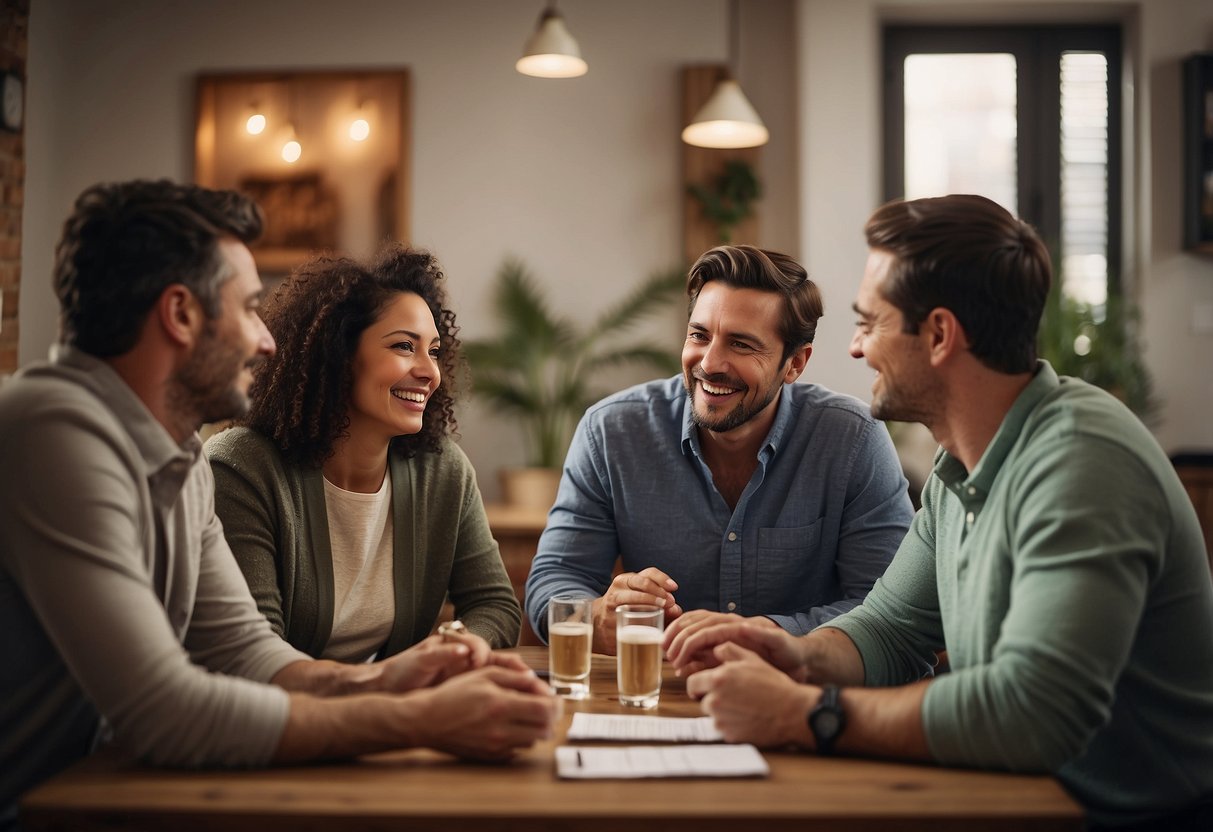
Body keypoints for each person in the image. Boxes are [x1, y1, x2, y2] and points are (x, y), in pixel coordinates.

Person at [0, 180, 557, 826]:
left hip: (97, 794)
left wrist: (387, 680)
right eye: (248, 307)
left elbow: (245, 652)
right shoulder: (53, 430)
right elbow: (166, 712)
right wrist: (415, 719)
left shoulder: (175, 452)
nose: (268, 341)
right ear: (180, 315)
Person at [666, 195, 1213, 831]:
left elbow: (1033, 714)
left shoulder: (1081, 461)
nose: (854, 347)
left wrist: (806, 713)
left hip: (1133, 817)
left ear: (939, 335)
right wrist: (794, 653)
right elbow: (891, 629)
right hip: (1020, 798)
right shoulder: (962, 467)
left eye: (870, 323)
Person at [525, 245, 914, 653]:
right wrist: (595, 616)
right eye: (699, 335)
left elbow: (889, 610)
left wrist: (764, 637)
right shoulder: (611, 432)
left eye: (741, 345)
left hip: (798, 699)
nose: (709, 363)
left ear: (795, 363)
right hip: (657, 694)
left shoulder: (852, 440)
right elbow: (554, 579)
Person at [206, 246, 521, 664]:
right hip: (286, 719)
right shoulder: (242, 468)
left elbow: (496, 606)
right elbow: (255, 655)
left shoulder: (442, 469)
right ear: (338, 354)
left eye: (434, 349)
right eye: (404, 346)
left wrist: (459, 649)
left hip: (398, 714)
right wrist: (392, 686)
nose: (429, 372)